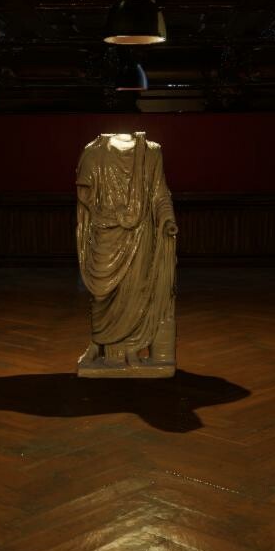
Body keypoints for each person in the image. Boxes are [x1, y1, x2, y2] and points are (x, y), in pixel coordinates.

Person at [76, 131, 178, 371]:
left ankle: (130, 349)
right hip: (105, 233)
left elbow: (159, 193)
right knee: (102, 294)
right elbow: (86, 198)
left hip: (140, 234)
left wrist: (167, 218)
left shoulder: (151, 152)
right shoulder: (93, 152)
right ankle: (99, 343)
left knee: (138, 290)